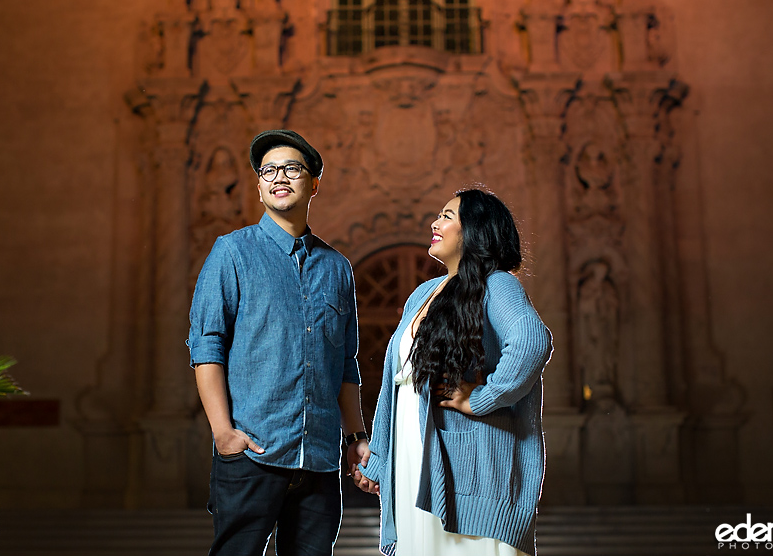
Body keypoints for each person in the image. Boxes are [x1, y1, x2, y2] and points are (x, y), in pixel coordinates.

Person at [187, 129, 370, 555]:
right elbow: (206, 347)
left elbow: (345, 363)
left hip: (321, 460)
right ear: (260, 185)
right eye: (268, 170)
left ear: (314, 184)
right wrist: (223, 434)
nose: (279, 177)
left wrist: (354, 437)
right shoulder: (231, 253)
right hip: (253, 453)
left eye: (292, 168)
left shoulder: (337, 268)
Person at [352, 187, 553, 556]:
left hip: (471, 468)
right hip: (414, 458)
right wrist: (379, 461)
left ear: (475, 230)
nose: (434, 222)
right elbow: (396, 387)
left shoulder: (498, 284)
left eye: (446, 216)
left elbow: (531, 343)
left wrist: (480, 399)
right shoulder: (424, 293)